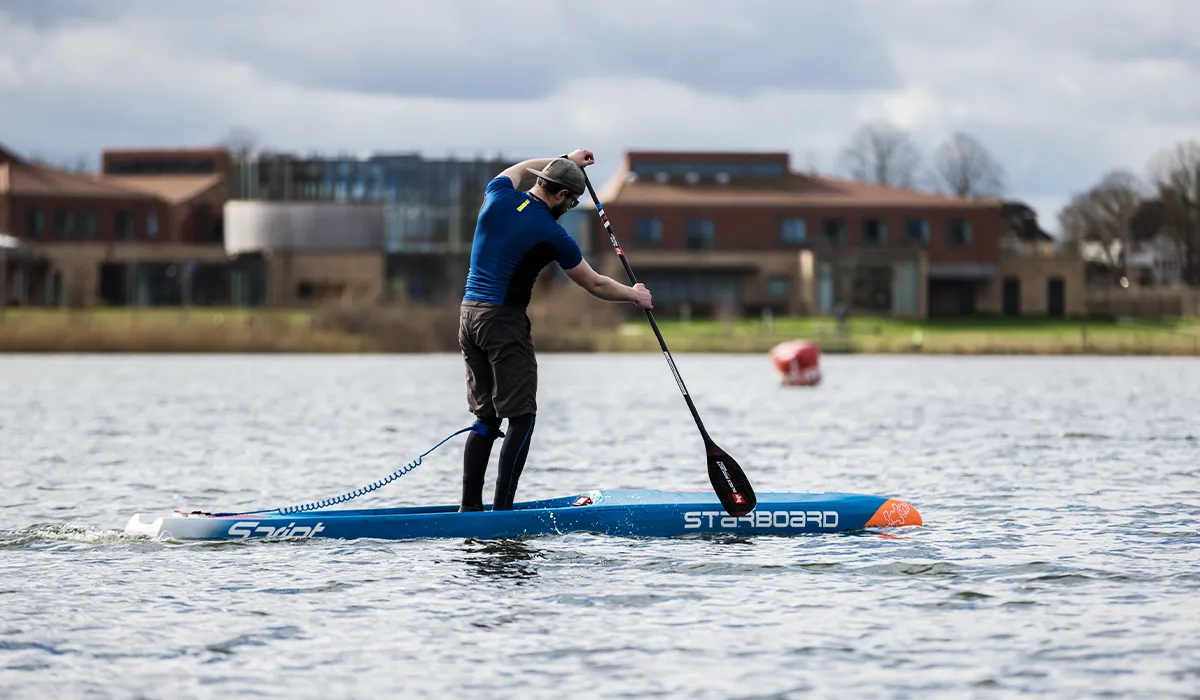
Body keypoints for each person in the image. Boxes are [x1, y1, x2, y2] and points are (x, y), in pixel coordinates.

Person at [458, 149, 653, 512]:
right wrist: (633, 294)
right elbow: (594, 284)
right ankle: (501, 513)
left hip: (468, 317)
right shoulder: (550, 232)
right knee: (522, 416)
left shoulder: (498, 194)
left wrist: (564, 158)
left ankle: (469, 509)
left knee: (486, 416)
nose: (570, 207)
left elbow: (517, 168)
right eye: (572, 200)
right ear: (562, 195)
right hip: (502, 321)